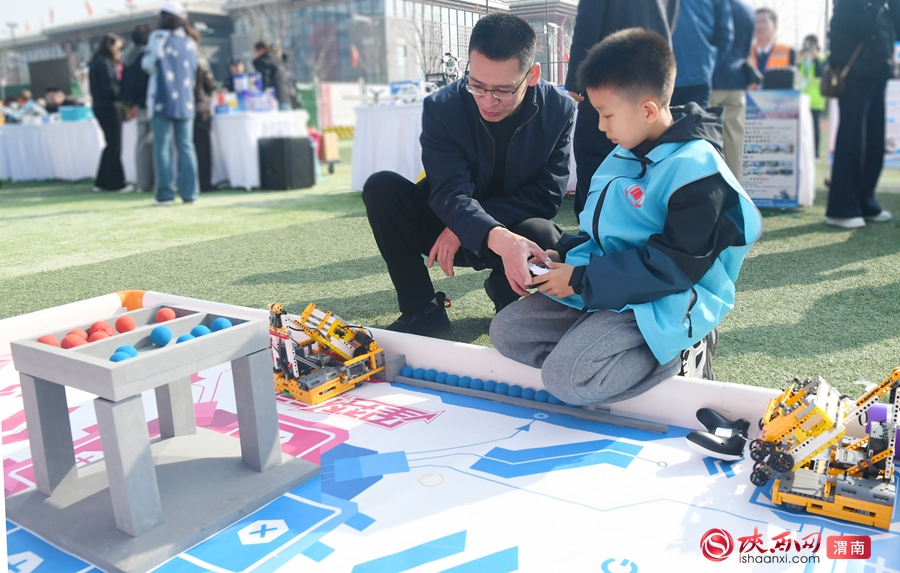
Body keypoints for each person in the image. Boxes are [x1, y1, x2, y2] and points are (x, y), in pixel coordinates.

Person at [490, 28, 763, 405]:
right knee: (507, 332)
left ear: (647, 110)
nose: (601, 126)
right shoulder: (624, 151)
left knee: (565, 379)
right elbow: (604, 234)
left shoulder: (699, 173)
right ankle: (604, 348)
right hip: (610, 286)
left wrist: (581, 281)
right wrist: (561, 256)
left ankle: (678, 354)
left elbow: (673, 269)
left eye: (607, 114)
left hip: (667, 298)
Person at [363, 13, 575, 336]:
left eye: (503, 90)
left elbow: (545, 196)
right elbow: (448, 192)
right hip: (444, 228)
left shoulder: (559, 110)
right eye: (476, 85)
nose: (488, 102)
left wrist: (472, 228)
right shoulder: (443, 106)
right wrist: (476, 227)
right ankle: (422, 309)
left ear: (532, 75)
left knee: (543, 235)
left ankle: (506, 294)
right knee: (381, 188)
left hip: (507, 228)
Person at [564, 0, 681, 217]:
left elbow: (588, 21)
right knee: (648, 155)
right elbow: (671, 18)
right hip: (650, 70)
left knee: (594, 152)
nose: (603, 123)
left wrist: (576, 80)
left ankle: (594, 219)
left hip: (606, 75)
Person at [825, 0, 900, 228]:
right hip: (854, 78)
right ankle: (841, 208)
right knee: (852, 142)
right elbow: (859, 27)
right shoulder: (847, 4)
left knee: (874, 144)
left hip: (878, 75)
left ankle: (865, 202)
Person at [142, 1, 199, 205]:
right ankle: (189, 193)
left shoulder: (157, 37)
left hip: (161, 99)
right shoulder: (191, 42)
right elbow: (194, 71)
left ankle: (165, 194)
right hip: (185, 101)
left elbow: (148, 65)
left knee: (162, 148)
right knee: (186, 146)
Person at [709, 0, 756, 184]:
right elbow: (747, 48)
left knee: (706, 139)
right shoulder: (747, 10)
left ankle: (709, 189)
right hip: (736, 81)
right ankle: (735, 190)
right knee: (734, 144)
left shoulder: (710, 4)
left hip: (711, 79)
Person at [89, 33, 132, 193]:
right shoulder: (105, 65)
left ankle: (102, 181)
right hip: (109, 106)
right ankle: (116, 183)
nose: (120, 52)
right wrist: (124, 87)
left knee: (110, 143)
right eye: (118, 48)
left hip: (99, 105)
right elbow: (111, 89)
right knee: (114, 145)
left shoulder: (95, 63)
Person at [670, 0, 733, 108]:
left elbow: (724, 35)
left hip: (695, 76)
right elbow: (725, 34)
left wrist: (709, 62)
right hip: (694, 73)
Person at [120, 24, 154, 193]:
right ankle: (160, 181)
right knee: (158, 144)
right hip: (152, 103)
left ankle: (142, 183)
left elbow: (124, 85)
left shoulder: (128, 58)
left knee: (141, 144)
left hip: (138, 106)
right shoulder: (148, 56)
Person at [187, 26, 218, 192]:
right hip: (201, 107)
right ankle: (205, 183)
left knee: (188, 147)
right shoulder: (199, 59)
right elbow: (210, 84)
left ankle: (192, 182)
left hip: (184, 108)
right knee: (203, 148)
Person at [798, 34, 826, 159]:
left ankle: (815, 154)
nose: (807, 48)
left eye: (809, 45)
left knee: (815, 128)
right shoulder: (803, 59)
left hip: (815, 98)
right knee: (801, 127)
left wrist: (816, 59)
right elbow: (797, 72)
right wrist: (799, 58)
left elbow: (820, 73)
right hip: (802, 97)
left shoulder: (822, 58)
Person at [750, 8, 795, 82]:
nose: (758, 26)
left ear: (775, 27)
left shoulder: (788, 51)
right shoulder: (745, 53)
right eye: (755, 21)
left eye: (763, 21)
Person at [253, 41, 292, 110]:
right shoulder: (276, 60)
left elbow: (264, 80)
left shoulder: (264, 61)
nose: (254, 55)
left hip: (273, 100)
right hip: (285, 97)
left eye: (255, 51)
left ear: (261, 50)